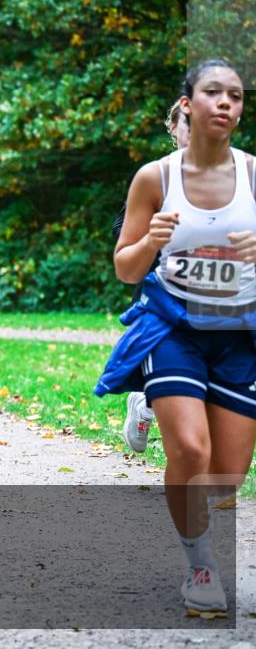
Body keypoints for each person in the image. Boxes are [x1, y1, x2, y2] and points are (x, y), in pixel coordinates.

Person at [96, 59, 256, 616]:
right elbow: (125, 269)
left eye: (235, 96)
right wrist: (150, 242)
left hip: (240, 335)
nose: (225, 104)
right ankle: (201, 567)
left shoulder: (255, 175)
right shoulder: (154, 178)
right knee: (190, 449)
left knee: (224, 478)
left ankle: (149, 405)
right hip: (173, 326)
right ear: (187, 103)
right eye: (213, 93)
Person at [113, 101, 192, 454]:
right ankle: (148, 405)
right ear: (172, 129)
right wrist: (154, 240)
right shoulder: (156, 179)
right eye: (185, 124)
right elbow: (122, 234)